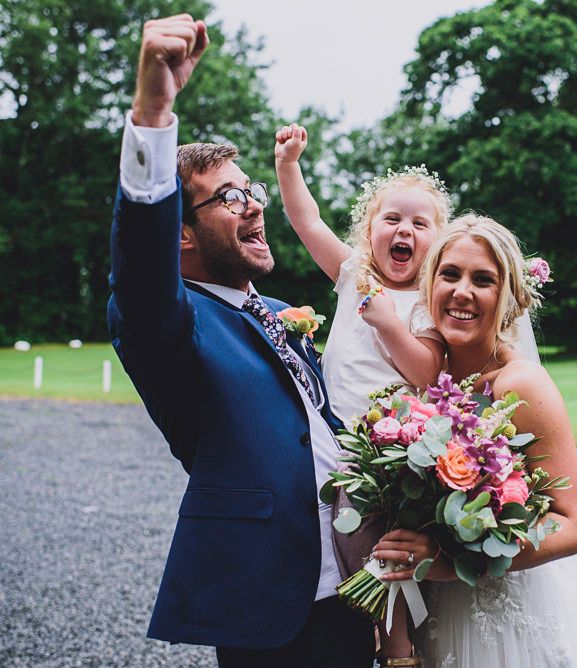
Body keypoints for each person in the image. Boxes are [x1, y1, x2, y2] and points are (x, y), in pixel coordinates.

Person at [107, 14, 374, 667]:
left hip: (354, 593)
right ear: (182, 233)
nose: (253, 204)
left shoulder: (285, 312)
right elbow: (141, 270)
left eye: (250, 190)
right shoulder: (169, 321)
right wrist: (153, 109)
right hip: (271, 610)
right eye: (229, 198)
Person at [371, 214, 577, 667]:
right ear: (430, 286)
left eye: (482, 280)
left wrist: (453, 559)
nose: (462, 291)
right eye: (450, 274)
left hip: (505, 612)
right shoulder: (425, 380)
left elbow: (575, 524)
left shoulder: (519, 385)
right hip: (439, 609)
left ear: (507, 298)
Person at [274, 124, 451, 426]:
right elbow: (309, 223)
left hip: (384, 444)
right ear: (369, 231)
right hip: (326, 426)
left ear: (438, 243)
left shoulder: (429, 299)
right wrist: (287, 164)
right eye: (392, 219)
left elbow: (427, 375)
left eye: (420, 224)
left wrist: (390, 325)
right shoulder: (355, 273)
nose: (404, 229)